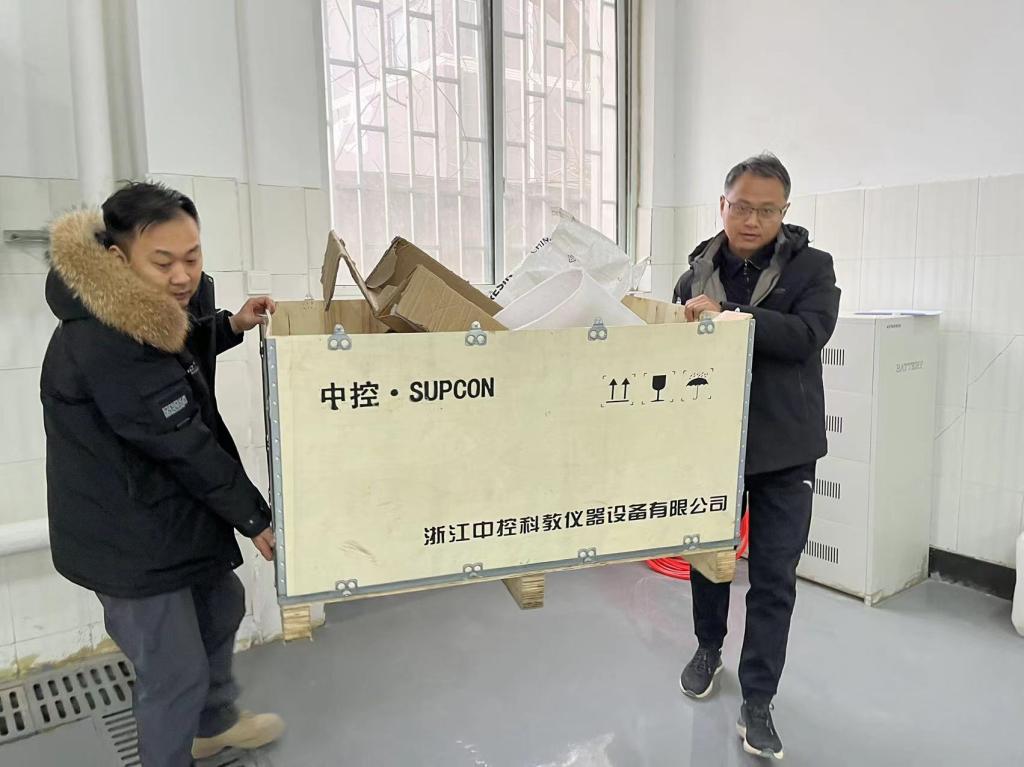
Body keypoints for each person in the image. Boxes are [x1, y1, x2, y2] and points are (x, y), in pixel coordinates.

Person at [40, 182, 285, 767]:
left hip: (165, 510)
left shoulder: (141, 309)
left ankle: (211, 727)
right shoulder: (104, 338)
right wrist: (256, 518)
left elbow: (176, 347)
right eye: (165, 262)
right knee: (173, 672)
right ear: (118, 258)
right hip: (124, 533)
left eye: (192, 257)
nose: (183, 276)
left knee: (220, 606)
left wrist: (229, 325)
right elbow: (183, 443)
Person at [672, 154, 840, 760]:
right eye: (741, 206)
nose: (751, 220)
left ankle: (759, 698)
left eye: (766, 210)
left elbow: (807, 336)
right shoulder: (696, 271)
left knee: (773, 576)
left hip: (785, 448)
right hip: (713, 444)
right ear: (723, 205)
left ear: (784, 212)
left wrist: (731, 317)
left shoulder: (812, 267)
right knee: (710, 559)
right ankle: (707, 648)